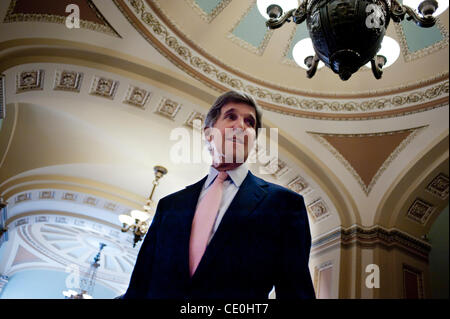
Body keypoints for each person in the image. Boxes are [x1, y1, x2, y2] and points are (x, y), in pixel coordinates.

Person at [122, 90, 316, 299]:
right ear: (208, 133)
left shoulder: (284, 204)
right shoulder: (170, 206)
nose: (241, 126)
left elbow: (296, 292)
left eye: (249, 122)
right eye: (231, 116)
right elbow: (139, 285)